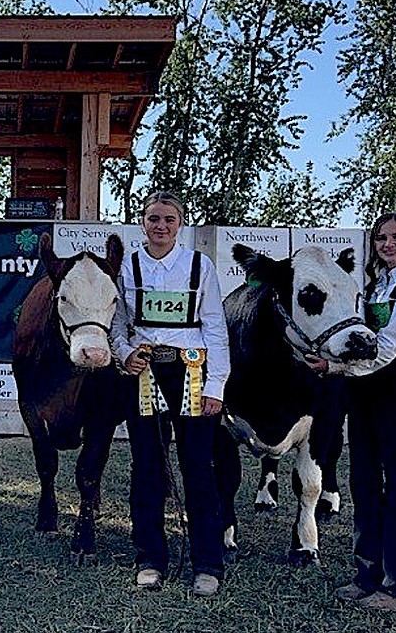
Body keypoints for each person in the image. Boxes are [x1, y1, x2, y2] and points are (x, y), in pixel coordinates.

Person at [304, 212, 396, 611]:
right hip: (362, 386)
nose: (388, 245)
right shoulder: (377, 284)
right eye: (381, 238)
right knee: (363, 480)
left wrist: (336, 367)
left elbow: (392, 344)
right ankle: (369, 574)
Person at [109, 191, 229, 597]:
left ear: (181, 224)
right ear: (142, 222)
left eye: (169, 220)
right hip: (144, 372)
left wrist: (216, 385)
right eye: (153, 218)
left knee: (197, 468)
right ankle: (150, 557)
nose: (160, 226)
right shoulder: (127, 266)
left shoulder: (200, 265)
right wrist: (124, 354)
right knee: (146, 467)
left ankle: (207, 563)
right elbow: (117, 323)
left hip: (190, 372)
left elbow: (214, 326)